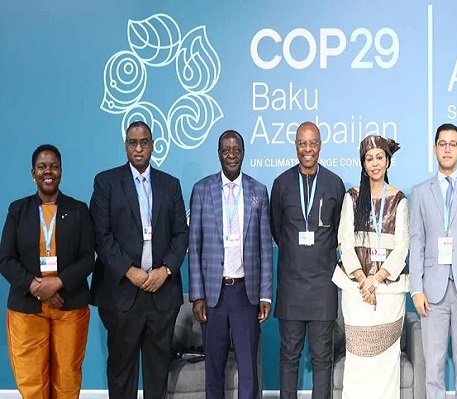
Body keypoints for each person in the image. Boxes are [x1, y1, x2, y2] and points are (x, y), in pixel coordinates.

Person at [90, 121, 189, 399]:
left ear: (152, 145)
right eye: (133, 143)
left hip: (162, 292)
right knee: (122, 372)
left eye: (144, 142)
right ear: (125, 145)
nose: (138, 148)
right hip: (123, 293)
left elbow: (181, 234)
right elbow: (102, 235)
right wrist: (128, 270)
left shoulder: (170, 185)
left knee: (158, 373)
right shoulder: (107, 182)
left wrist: (166, 270)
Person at [0, 144, 95, 398]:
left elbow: (88, 258)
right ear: (33, 173)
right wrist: (37, 288)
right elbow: (5, 259)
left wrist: (58, 283)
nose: (48, 171)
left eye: (53, 166)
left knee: (67, 378)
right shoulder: (17, 210)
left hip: (70, 305)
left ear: (61, 171)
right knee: (32, 381)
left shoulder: (78, 210)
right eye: (42, 167)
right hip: (27, 308)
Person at [189, 130, 273, 399]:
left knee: (249, 369)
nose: (232, 154)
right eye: (226, 150)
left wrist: (265, 295)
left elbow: (265, 248)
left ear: (243, 153)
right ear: (218, 154)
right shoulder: (202, 190)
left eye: (236, 149)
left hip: (245, 294)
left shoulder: (258, 191)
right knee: (213, 368)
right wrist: (197, 295)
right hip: (213, 295)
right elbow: (195, 246)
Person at [409, 123, 457, 399]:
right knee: (434, 367)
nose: (446, 149)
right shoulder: (419, 191)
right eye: (442, 143)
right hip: (431, 291)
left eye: (452, 144)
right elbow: (416, 241)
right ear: (434, 149)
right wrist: (416, 289)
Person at [270, 122, 345, 399]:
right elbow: (277, 230)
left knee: (322, 359)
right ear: (295, 146)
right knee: (289, 357)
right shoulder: (281, 184)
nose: (308, 149)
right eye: (302, 143)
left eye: (312, 143)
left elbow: (339, 232)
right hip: (291, 288)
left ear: (320, 145)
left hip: (323, 288)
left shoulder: (334, 183)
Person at [331, 135, 409, 399]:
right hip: (356, 291)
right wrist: (363, 279)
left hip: (389, 293)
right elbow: (345, 240)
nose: (375, 163)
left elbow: (402, 246)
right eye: (369, 158)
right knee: (358, 360)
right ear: (363, 164)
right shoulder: (352, 197)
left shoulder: (399, 199)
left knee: (387, 362)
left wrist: (376, 280)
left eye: (379, 157)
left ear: (387, 161)